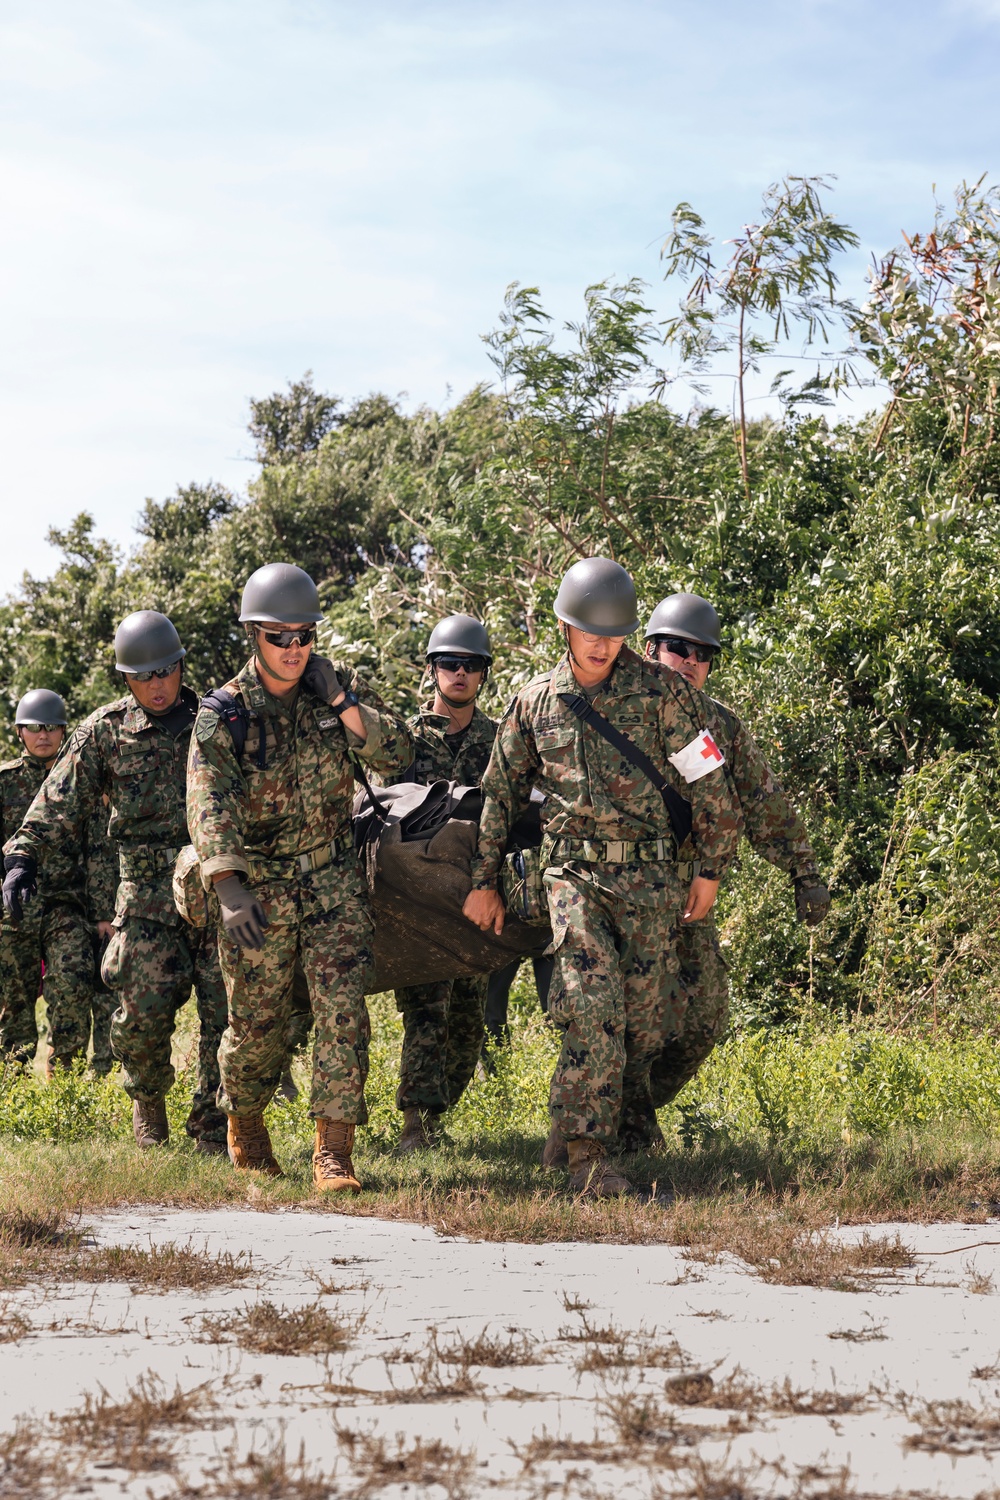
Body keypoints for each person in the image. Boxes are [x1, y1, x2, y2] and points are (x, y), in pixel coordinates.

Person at [462, 558, 740, 1196]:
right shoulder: (534, 703)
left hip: (651, 884)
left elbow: (710, 783)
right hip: (574, 876)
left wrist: (711, 870)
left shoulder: (667, 694)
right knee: (591, 1005)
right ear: (565, 625)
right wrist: (483, 880)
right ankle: (590, 1156)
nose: (601, 643)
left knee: (644, 1024)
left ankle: (567, 1132)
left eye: (614, 632)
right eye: (590, 630)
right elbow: (499, 797)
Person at [186, 562, 413, 1190]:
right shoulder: (224, 715)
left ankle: (332, 1150)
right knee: (258, 1022)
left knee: (343, 1010)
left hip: (332, 878)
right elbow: (207, 802)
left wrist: (340, 699)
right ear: (253, 636)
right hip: (257, 886)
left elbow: (395, 756)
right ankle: (247, 1125)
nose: (293, 649)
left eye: (303, 635)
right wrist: (228, 886)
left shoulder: (335, 692)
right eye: (279, 636)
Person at [2, 614, 228, 1152]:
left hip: (219, 887)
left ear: (180, 666)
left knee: (226, 1014)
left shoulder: (218, 720)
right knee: (143, 1017)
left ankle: (213, 1124)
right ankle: (148, 1107)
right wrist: (22, 855)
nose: (157, 685)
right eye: (143, 675)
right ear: (125, 679)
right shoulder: (105, 730)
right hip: (147, 897)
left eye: (166, 671)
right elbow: (60, 798)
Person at [616, 591, 830, 1150]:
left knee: (705, 1017)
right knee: (638, 1017)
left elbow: (765, 805)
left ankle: (617, 1111)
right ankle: (623, 1128)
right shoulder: (615, 710)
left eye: (703, 653)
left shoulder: (720, 727)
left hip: (689, 896)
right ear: (649, 647)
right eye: (679, 648)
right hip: (615, 893)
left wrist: (804, 873)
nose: (690, 661)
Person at [391, 614, 497, 1152]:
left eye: (471, 665)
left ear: (482, 674)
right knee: (426, 1010)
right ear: (432, 670)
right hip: (418, 897)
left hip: (478, 894)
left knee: (468, 1023)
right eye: (450, 663)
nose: (460, 673)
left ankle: (436, 1115)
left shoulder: (499, 740)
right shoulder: (405, 741)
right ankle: (417, 1124)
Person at [0, 691, 97, 1071]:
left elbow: (99, 847)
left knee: (73, 987)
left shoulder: (80, 779)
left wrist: (104, 910)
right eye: (35, 728)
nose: (44, 736)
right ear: (20, 732)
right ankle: (13, 1087)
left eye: (53, 728)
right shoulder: (5, 781)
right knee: (14, 1002)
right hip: (13, 911)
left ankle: (67, 1087)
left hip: (67, 903)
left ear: (63, 731)